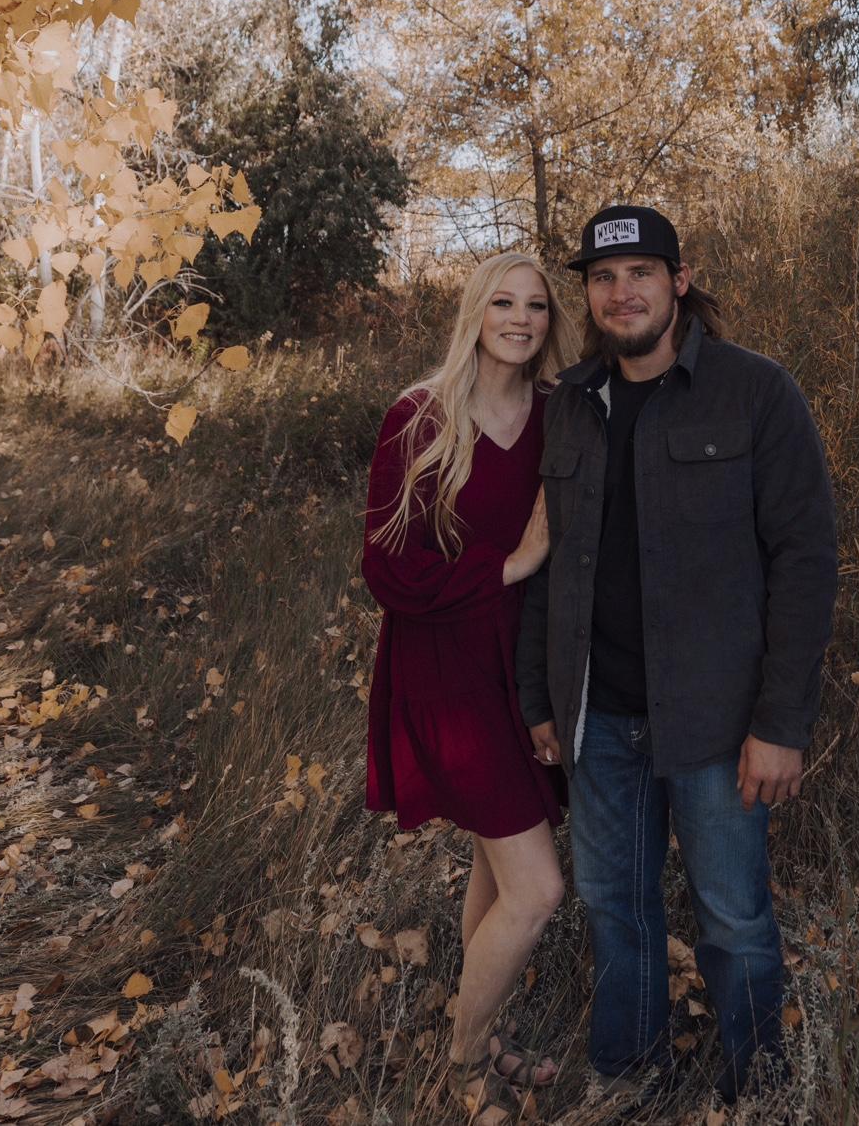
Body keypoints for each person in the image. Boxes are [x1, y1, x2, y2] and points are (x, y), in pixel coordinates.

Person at [516, 204, 838, 1105]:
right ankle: (631, 1076)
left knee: (732, 917)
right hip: (600, 719)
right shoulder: (572, 405)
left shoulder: (755, 392)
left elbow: (806, 562)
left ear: (679, 282)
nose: (622, 293)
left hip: (718, 723)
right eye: (603, 278)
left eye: (641, 274)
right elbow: (548, 564)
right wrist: (541, 697)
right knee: (615, 909)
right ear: (589, 294)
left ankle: (757, 1090)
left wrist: (781, 724)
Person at [361, 252, 579, 1123]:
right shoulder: (420, 416)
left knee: (497, 865)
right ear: (475, 314)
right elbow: (386, 571)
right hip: (448, 670)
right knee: (537, 888)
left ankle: (484, 1036)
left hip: (523, 667)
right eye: (503, 303)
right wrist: (511, 564)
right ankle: (461, 1061)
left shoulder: (559, 413)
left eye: (536, 306)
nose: (520, 319)